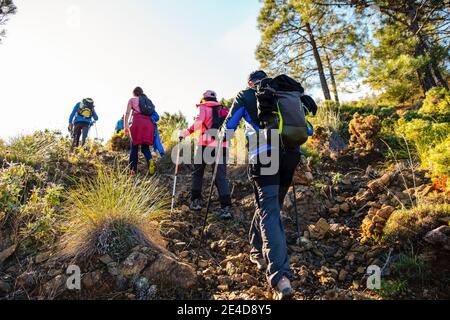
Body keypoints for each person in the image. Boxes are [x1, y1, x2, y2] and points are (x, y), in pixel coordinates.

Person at [224, 70, 302, 299]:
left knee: (268, 210)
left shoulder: (246, 95)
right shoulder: (284, 93)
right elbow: (306, 129)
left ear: (250, 83)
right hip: (291, 154)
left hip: (263, 153)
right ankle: (257, 250)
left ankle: (281, 278)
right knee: (270, 206)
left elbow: (227, 130)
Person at [180, 90, 233, 220]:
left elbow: (198, 123)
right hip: (222, 146)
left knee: (198, 173)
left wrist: (185, 133)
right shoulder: (224, 110)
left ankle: (196, 202)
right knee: (221, 177)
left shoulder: (203, 107)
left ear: (203, 99)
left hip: (204, 145)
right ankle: (226, 208)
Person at [124, 87, 156, 175]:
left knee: (134, 147)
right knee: (145, 148)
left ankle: (132, 170)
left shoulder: (132, 100)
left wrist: (125, 126)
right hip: (148, 124)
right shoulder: (147, 100)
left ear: (134, 93)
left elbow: (127, 113)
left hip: (138, 122)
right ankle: (150, 161)